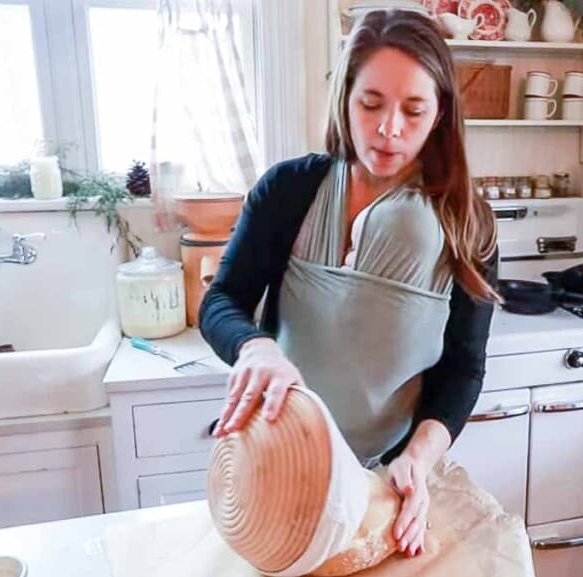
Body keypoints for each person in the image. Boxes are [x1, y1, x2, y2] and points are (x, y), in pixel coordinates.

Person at [199, 8, 499, 560]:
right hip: (274, 466)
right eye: (371, 104)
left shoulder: (465, 222)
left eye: (414, 110)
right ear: (345, 99)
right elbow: (221, 301)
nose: (389, 129)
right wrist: (255, 347)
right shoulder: (289, 190)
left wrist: (419, 460)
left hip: (383, 483)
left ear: (440, 116)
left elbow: (463, 368)